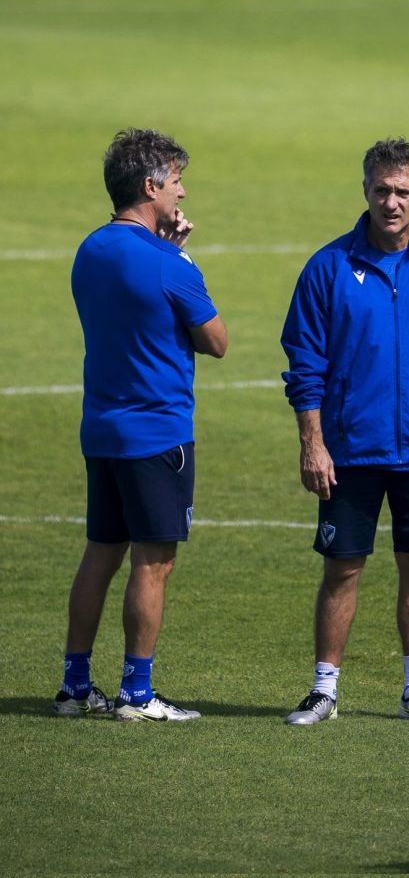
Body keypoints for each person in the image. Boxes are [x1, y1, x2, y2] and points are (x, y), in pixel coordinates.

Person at [280, 137, 409, 726]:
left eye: (402, 191)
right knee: (341, 569)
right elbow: (304, 366)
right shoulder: (327, 267)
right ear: (365, 191)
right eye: (380, 190)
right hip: (350, 452)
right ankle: (324, 691)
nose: (390, 202)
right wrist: (313, 444)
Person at [53, 128, 228, 723]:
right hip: (157, 435)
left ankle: (75, 686)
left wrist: (165, 252)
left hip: (101, 429)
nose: (182, 192)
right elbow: (217, 341)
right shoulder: (167, 264)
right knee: (153, 563)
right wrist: (180, 256)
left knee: (100, 554)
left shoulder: (90, 249)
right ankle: (136, 693)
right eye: (176, 181)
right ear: (151, 187)